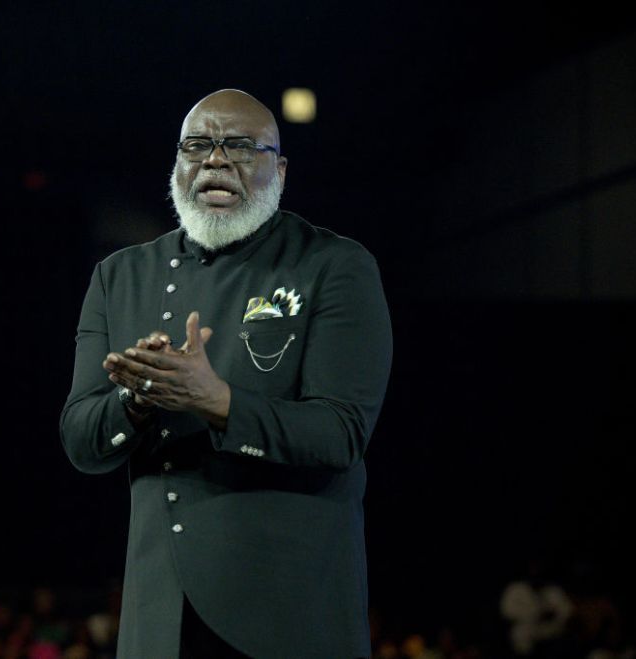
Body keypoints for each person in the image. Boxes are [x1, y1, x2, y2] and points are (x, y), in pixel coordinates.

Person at [60, 89, 393, 658]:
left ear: (279, 170)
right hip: (160, 616)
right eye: (197, 145)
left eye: (240, 146)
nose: (215, 160)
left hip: (287, 615)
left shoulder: (333, 265)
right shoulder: (119, 276)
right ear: (177, 165)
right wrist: (136, 400)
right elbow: (81, 441)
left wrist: (217, 401)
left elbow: (341, 433)